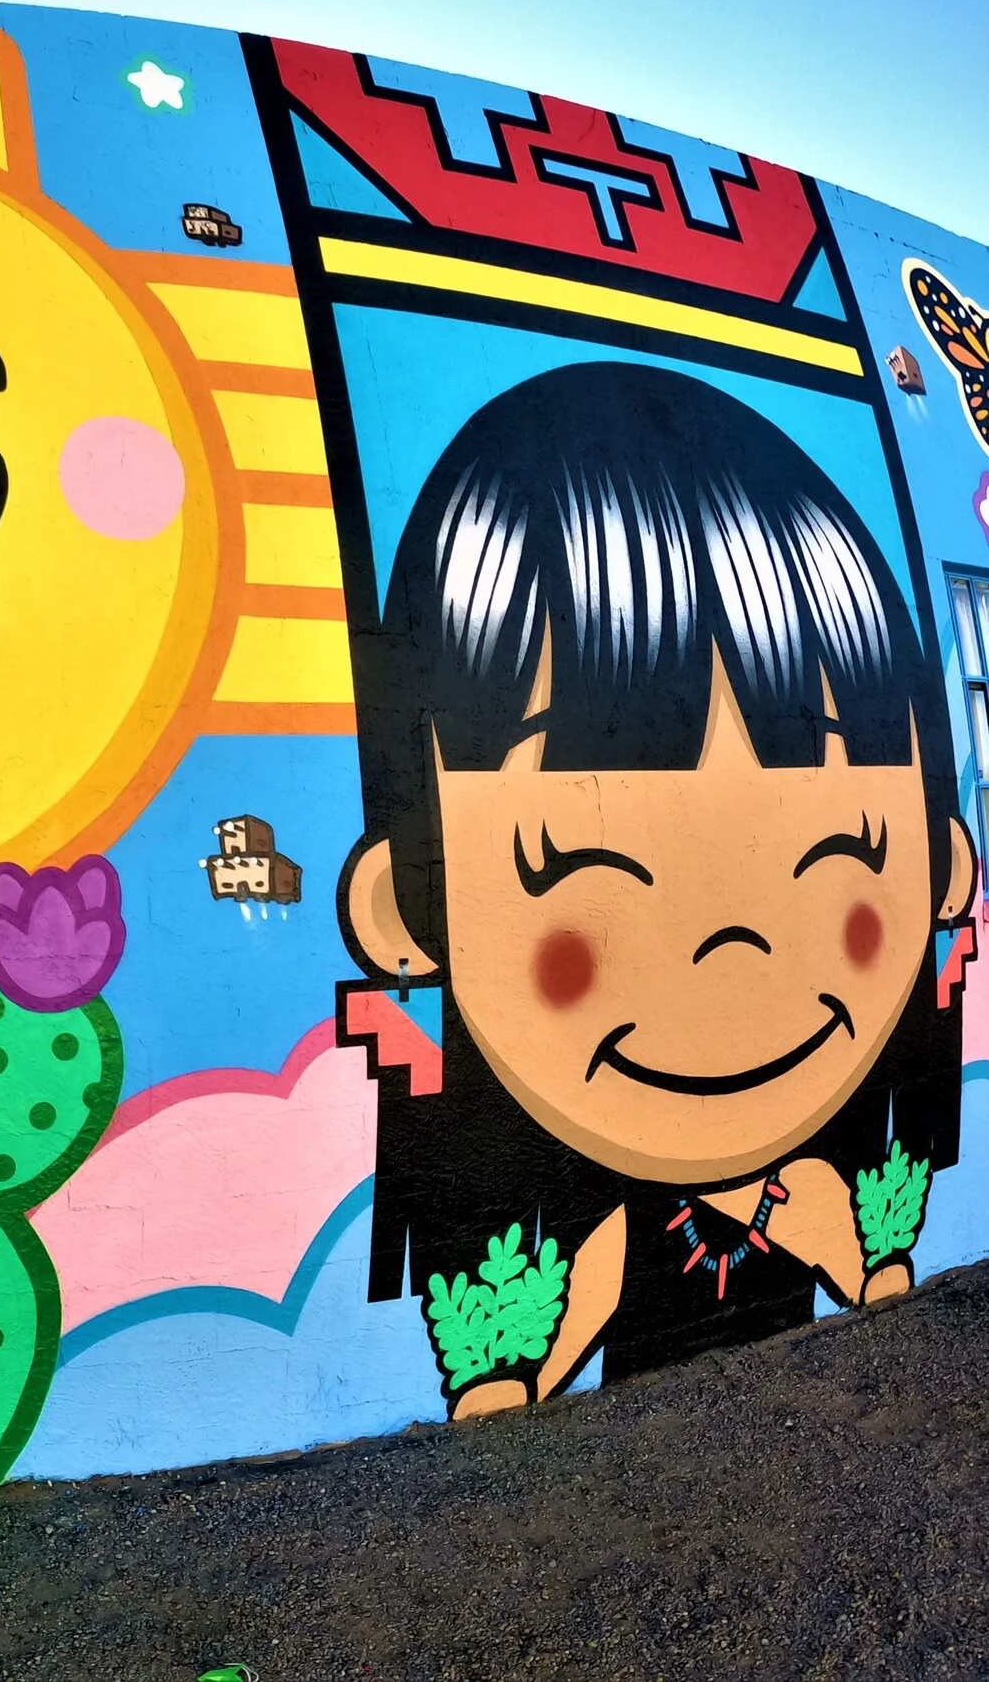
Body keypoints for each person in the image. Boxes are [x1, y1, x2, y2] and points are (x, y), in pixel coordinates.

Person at [339, 361, 973, 1414]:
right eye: (586, 879)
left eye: (839, 860)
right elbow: (575, 1313)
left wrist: (866, 1268)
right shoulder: (618, 1229)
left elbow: (859, 1261)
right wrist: (512, 1379)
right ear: (402, 908)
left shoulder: (809, 1193)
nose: (735, 952)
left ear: (940, 868)